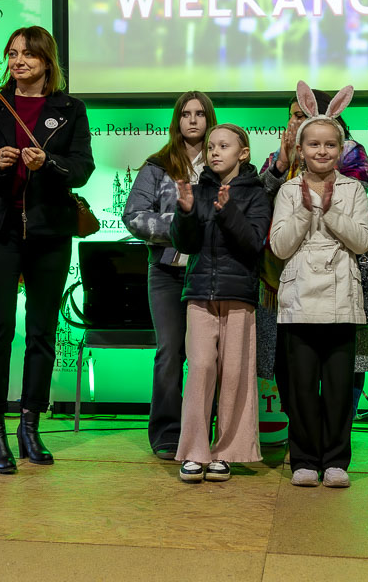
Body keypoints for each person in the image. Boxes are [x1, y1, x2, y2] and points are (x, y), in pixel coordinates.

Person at [0, 25, 94, 474]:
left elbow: (82, 168)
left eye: (29, 54)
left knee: (41, 331)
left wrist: (48, 162)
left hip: (49, 231)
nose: (19, 61)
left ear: (47, 62)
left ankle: (30, 424)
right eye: (13, 53)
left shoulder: (70, 109)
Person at [269, 89, 368, 488]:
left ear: (341, 149)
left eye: (330, 144)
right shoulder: (287, 190)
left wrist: (330, 212)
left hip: (341, 301)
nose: (322, 151)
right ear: (300, 149)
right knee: (300, 388)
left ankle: (335, 461)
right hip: (298, 303)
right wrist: (304, 210)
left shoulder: (353, 190)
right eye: (314, 144)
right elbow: (280, 247)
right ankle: (303, 460)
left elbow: (363, 242)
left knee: (337, 389)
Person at [170, 124, 271, 483]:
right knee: (199, 369)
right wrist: (185, 212)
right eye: (211, 146)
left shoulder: (257, 194)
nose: (214, 152)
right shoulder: (198, 190)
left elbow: (253, 243)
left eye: (223, 146)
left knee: (234, 375)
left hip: (239, 295)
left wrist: (229, 212)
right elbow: (186, 244)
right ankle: (194, 452)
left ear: (243, 153)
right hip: (199, 293)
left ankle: (226, 452)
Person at [122, 91, 218, 459]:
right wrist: (183, 225)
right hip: (166, 272)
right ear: (177, 120)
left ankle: (203, 432)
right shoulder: (158, 164)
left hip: (210, 274)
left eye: (200, 114)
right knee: (169, 352)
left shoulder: (221, 161)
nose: (193, 120)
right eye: (186, 114)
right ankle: (166, 432)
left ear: (209, 119)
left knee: (207, 357)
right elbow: (134, 215)